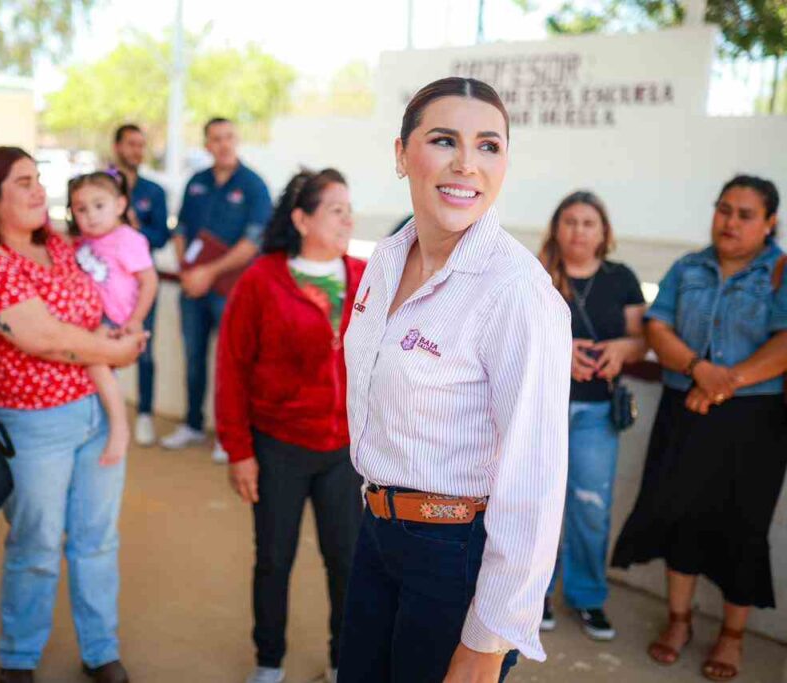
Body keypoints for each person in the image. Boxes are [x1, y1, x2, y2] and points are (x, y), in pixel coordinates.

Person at [337, 77, 570, 683]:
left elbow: (535, 479)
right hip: (376, 529)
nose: (467, 164)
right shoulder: (386, 259)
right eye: (444, 140)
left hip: (454, 552)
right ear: (401, 154)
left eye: (489, 146)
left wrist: (489, 640)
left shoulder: (517, 292)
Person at [0, 146, 146, 683]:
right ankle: (18, 656)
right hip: (32, 425)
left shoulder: (55, 244)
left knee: (97, 539)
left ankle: (100, 649)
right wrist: (117, 351)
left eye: (38, 179)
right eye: (23, 182)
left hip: (94, 411)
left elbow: (90, 312)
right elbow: (45, 338)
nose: (39, 190)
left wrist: (113, 338)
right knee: (35, 544)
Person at [612, 175, 787, 682]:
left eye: (745, 214)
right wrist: (698, 370)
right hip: (684, 408)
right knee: (678, 514)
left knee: (744, 526)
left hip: (754, 419)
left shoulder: (779, 271)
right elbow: (657, 326)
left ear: (769, 222)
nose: (729, 221)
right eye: (723, 209)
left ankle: (732, 635)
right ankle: (679, 621)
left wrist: (722, 383)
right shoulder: (687, 267)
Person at [217, 169, 366, 683]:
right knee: (274, 560)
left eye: (350, 210)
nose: (348, 220)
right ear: (302, 220)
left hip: (345, 449)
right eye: (336, 211)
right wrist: (239, 450)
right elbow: (232, 368)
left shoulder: (367, 276)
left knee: (347, 561)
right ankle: (269, 660)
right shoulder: (261, 280)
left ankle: (344, 658)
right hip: (278, 445)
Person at [537, 190, 647, 640]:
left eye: (588, 223)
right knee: (539, 504)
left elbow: (642, 339)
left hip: (597, 411)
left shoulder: (621, 278)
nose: (578, 231)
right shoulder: (537, 274)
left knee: (591, 508)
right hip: (542, 408)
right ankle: (535, 593)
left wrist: (623, 348)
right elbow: (514, 335)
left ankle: (586, 597)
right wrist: (561, 352)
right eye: (570, 221)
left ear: (604, 232)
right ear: (556, 228)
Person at [161, 117, 273, 463]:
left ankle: (230, 436)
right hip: (193, 288)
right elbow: (180, 229)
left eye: (229, 137)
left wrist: (208, 272)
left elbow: (252, 243)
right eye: (216, 139)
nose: (223, 144)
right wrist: (187, 270)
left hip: (232, 291)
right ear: (207, 144)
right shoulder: (196, 181)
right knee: (193, 358)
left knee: (232, 364)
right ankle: (193, 425)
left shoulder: (254, 185)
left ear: (236, 140)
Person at [68, 169, 159, 464]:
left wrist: (136, 319)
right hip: (87, 318)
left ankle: (119, 425)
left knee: (94, 360)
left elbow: (149, 280)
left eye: (99, 205)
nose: (91, 215)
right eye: (81, 209)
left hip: (112, 319)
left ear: (120, 205)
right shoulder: (82, 241)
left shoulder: (126, 239)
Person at [113, 123, 169, 446]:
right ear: (117, 146)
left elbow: (161, 237)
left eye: (141, 145)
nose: (137, 150)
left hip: (141, 284)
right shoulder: (99, 185)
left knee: (144, 349)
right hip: (104, 283)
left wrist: (134, 230)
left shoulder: (154, 191)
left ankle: (144, 414)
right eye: (131, 144)